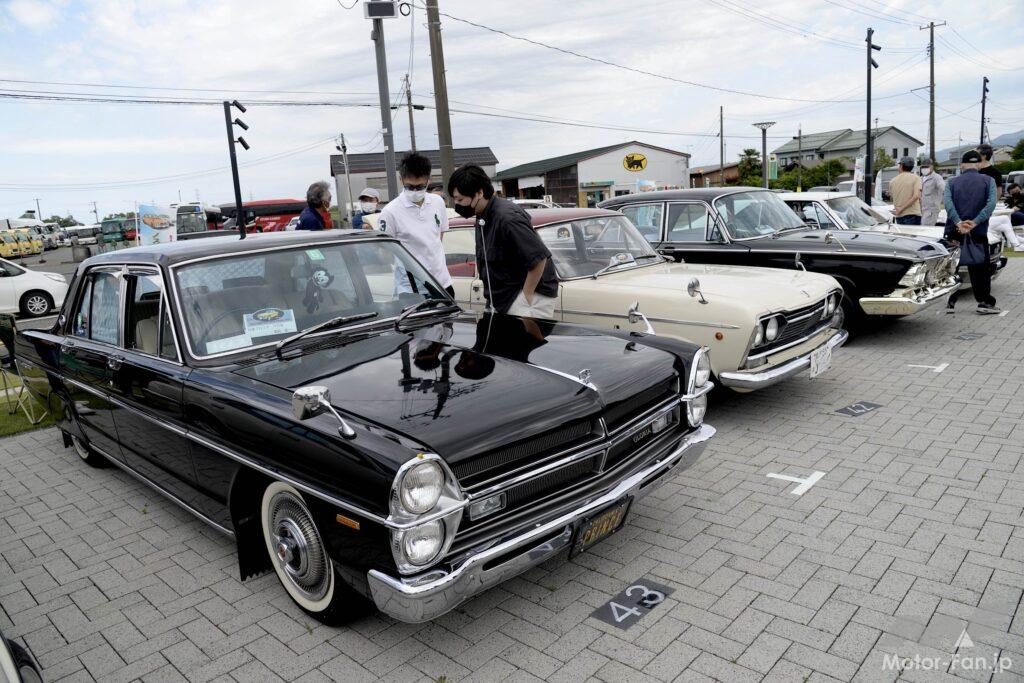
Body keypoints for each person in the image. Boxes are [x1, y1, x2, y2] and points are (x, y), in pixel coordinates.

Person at [447, 164, 559, 318]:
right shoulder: (482, 215)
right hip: (502, 299)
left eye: (460, 199)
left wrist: (525, 297)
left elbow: (539, 258)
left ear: (479, 192)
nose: (457, 205)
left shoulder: (507, 218)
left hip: (524, 298)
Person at [379, 153, 454, 297]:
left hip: (442, 284)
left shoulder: (437, 202)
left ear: (428, 180)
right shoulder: (390, 212)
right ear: (401, 180)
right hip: (411, 290)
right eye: (410, 186)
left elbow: (439, 237)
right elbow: (385, 252)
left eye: (420, 186)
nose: (414, 191)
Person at [944, 149, 1000, 314]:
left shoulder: (951, 182)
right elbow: (991, 204)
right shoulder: (988, 180)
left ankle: (950, 302)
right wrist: (975, 222)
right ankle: (984, 302)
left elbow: (948, 204)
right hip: (978, 231)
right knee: (980, 268)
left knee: (952, 266)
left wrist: (958, 222)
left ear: (962, 165)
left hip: (954, 231)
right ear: (979, 164)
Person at [889, 156, 922, 225]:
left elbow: (891, 197)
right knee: (912, 235)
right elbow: (916, 196)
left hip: (899, 215)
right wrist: (901, 208)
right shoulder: (916, 178)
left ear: (901, 166)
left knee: (902, 235)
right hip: (913, 214)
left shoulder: (892, 181)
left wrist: (900, 208)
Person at [919, 159, 945, 227]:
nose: (925, 169)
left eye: (927, 167)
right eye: (923, 167)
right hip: (921, 210)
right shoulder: (921, 178)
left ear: (932, 167)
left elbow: (944, 189)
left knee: (925, 230)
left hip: (931, 211)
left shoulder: (937, 178)